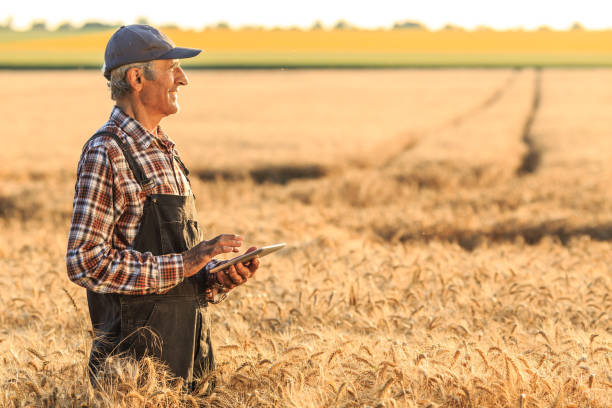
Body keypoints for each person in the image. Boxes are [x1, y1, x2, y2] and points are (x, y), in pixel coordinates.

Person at [65, 24, 259, 391]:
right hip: (134, 379)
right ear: (137, 78)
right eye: (172, 68)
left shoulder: (165, 150)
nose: (183, 79)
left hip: (192, 362)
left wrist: (213, 276)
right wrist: (186, 263)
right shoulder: (106, 151)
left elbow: (171, 263)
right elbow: (84, 261)